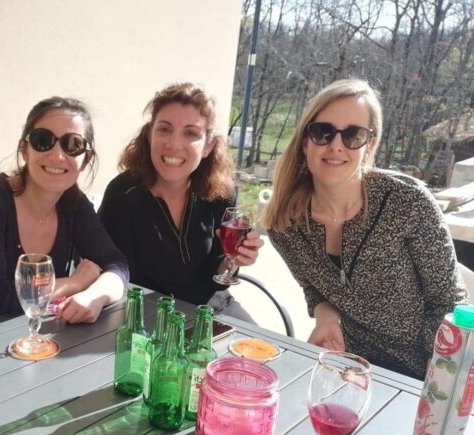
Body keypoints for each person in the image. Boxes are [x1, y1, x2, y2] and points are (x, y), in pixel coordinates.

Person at [263, 78, 467, 380]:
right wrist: (326, 318)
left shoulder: (407, 202)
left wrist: (434, 379)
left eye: (353, 135)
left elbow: (448, 302)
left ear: (370, 143)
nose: (336, 145)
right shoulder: (285, 224)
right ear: (305, 140)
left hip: (423, 373)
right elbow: (313, 287)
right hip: (348, 367)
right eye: (323, 132)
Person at [0, 97, 129, 326]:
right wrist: (75, 283)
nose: (57, 155)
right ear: (25, 150)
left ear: (85, 159)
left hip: (39, 331)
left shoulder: (75, 206)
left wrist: (95, 296)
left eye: (73, 145)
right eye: (43, 140)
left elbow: (116, 265)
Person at [98, 82, 262, 320]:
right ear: (149, 135)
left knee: (261, 345)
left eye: (191, 133)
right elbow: (108, 270)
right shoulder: (123, 194)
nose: (174, 144)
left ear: (208, 147)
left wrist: (235, 260)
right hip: (148, 316)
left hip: (213, 311)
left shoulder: (222, 192)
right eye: (164, 129)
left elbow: (219, 272)